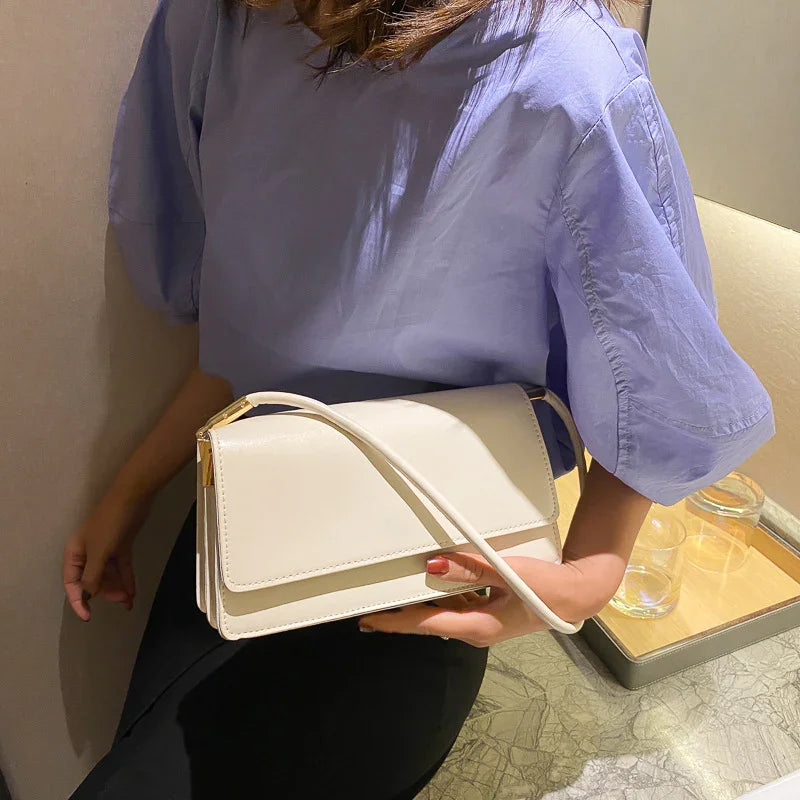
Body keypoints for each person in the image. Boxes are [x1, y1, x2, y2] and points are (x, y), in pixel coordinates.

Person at [63, 0, 774, 796]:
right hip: (244, 518)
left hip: (427, 562)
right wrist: (135, 485)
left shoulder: (561, 72)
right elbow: (259, 344)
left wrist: (591, 572)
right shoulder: (217, 20)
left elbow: (656, 370)